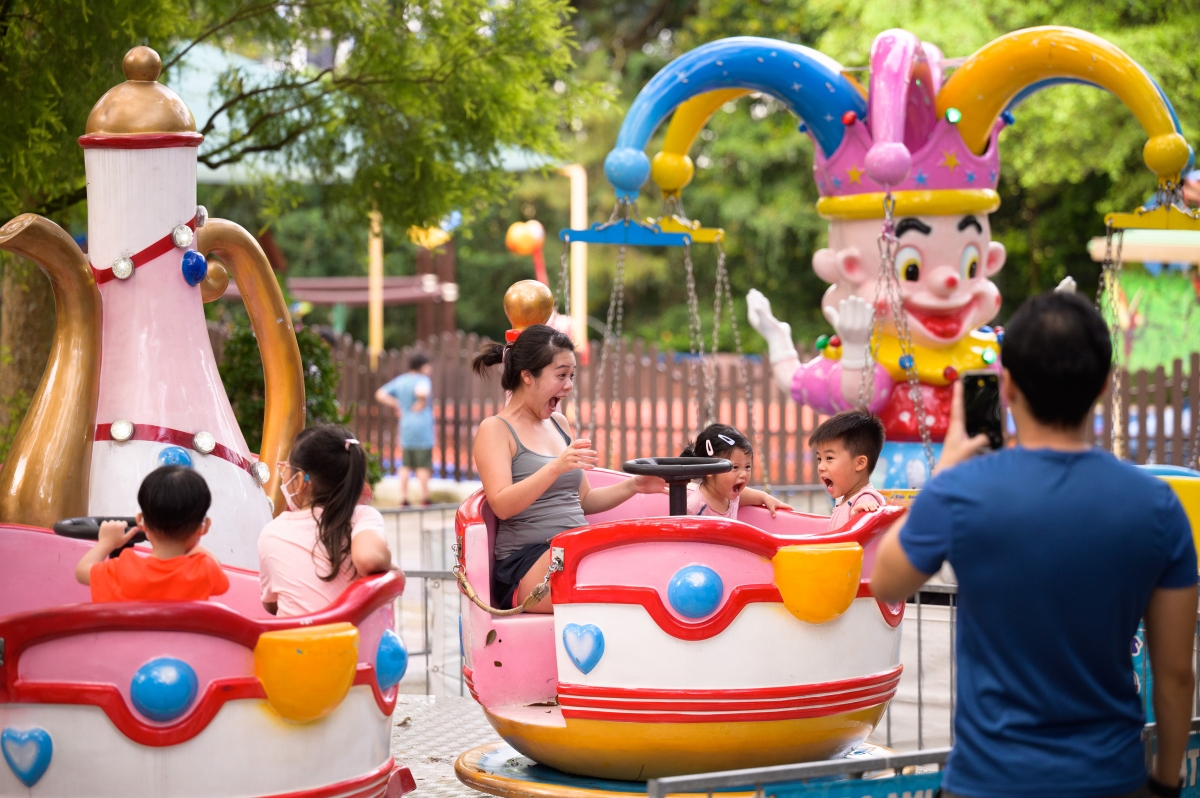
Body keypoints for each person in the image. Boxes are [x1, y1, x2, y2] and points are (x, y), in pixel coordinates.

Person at [871, 291, 1197, 798]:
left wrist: (949, 465)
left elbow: (888, 579)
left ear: (1009, 386)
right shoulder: (1157, 507)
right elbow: (1176, 674)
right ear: (1105, 384)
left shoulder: (963, 491)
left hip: (988, 781)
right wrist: (1167, 783)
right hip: (1109, 779)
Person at [472, 324, 666, 612]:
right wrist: (555, 468)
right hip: (525, 564)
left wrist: (633, 486)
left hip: (572, 547)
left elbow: (583, 501)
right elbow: (501, 505)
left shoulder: (558, 424)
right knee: (611, 585)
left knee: (643, 565)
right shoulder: (495, 429)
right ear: (527, 375)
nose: (569, 385)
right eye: (561, 375)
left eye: (571, 376)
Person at [258, 425, 395, 617]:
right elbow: (369, 559)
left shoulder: (271, 532)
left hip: (292, 642)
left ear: (299, 480)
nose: (283, 475)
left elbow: (271, 605)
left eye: (285, 468)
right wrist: (395, 571)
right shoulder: (362, 517)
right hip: (351, 642)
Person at [75, 466, 229, 602]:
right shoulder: (205, 571)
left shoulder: (123, 569)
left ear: (141, 521)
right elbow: (214, 562)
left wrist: (107, 542)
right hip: (179, 636)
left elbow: (82, 571)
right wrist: (190, 535)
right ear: (204, 527)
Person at [680, 424, 791, 518]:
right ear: (709, 468)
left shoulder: (731, 496)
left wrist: (766, 498)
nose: (743, 474)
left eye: (747, 467)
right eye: (735, 467)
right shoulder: (694, 507)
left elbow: (753, 495)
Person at [809, 409, 887, 530]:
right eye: (819, 459)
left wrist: (860, 518)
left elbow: (871, 531)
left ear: (860, 463)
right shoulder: (845, 499)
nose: (820, 467)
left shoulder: (865, 500)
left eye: (829, 458)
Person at [376, 353, 435, 505]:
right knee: (423, 464)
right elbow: (422, 391)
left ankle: (403, 498)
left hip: (406, 426)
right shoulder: (422, 380)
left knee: (406, 464)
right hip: (422, 428)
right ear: (422, 366)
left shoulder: (401, 380)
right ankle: (425, 498)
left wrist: (397, 404)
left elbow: (380, 394)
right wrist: (421, 400)